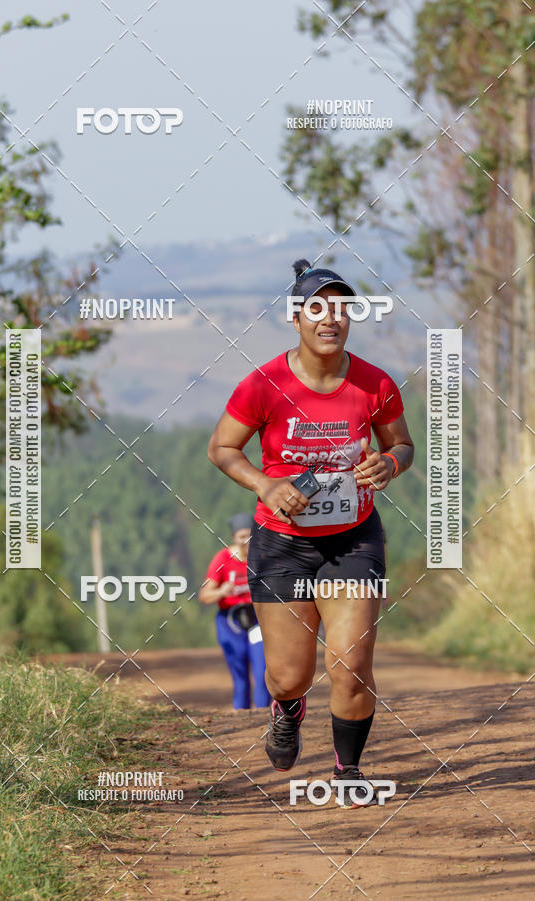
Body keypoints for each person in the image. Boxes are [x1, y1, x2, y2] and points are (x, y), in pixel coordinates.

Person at [207, 259, 414, 808]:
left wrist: (390, 465)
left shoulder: (374, 383)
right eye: (318, 309)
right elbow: (223, 449)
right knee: (289, 675)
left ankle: (348, 772)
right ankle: (288, 710)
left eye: (343, 310)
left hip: (353, 539)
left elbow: (402, 445)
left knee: (350, 663)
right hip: (282, 544)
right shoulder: (264, 384)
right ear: (297, 318)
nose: (332, 319)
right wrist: (265, 485)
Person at [199, 513, 271, 710]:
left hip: (257, 621)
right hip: (230, 623)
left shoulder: (263, 556)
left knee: (262, 672)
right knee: (240, 677)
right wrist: (221, 591)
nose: (246, 541)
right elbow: (204, 595)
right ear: (234, 538)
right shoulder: (223, 559)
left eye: (250, 536)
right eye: (242, 537)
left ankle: (265, 718)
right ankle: (243, 720)